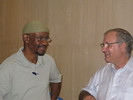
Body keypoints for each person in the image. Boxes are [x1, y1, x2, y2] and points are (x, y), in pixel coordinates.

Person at [0, 21, 62, 100]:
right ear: (26, 38)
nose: (45, 43)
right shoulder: (8, 67)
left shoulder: (49, 61)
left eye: (46, 39)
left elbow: (56, 79)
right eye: (40, 39)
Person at [79, 28, 133, 100]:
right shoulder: (102, 72)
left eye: (108, 45)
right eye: (103, 45)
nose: (103, 50)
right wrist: (87, 97)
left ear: (122, 46)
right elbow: (86, 91)